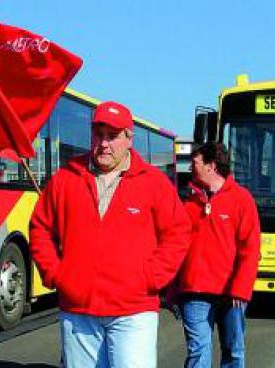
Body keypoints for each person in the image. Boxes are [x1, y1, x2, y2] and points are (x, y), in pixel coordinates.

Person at [29, 101, 191, 368]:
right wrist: (56, 274)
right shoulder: (65, 180)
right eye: (98, 134)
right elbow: (40, 229)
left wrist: (151, 278)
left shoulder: (153, 183)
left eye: (112, 136)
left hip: (133, 310)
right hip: (78, 309)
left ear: (129, 138)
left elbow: (178, 234)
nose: (104, 143)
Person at [175, 142, 261, 368]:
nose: (190, 167)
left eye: (195, 162)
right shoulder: (187, 201)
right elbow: (175, 246)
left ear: (211, 166)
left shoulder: (242, 199)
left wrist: (241, 289)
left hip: (231, 292)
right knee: (198, 351)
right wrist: (171, 289)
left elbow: (251, 249)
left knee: (233, 351)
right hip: (194, 291)